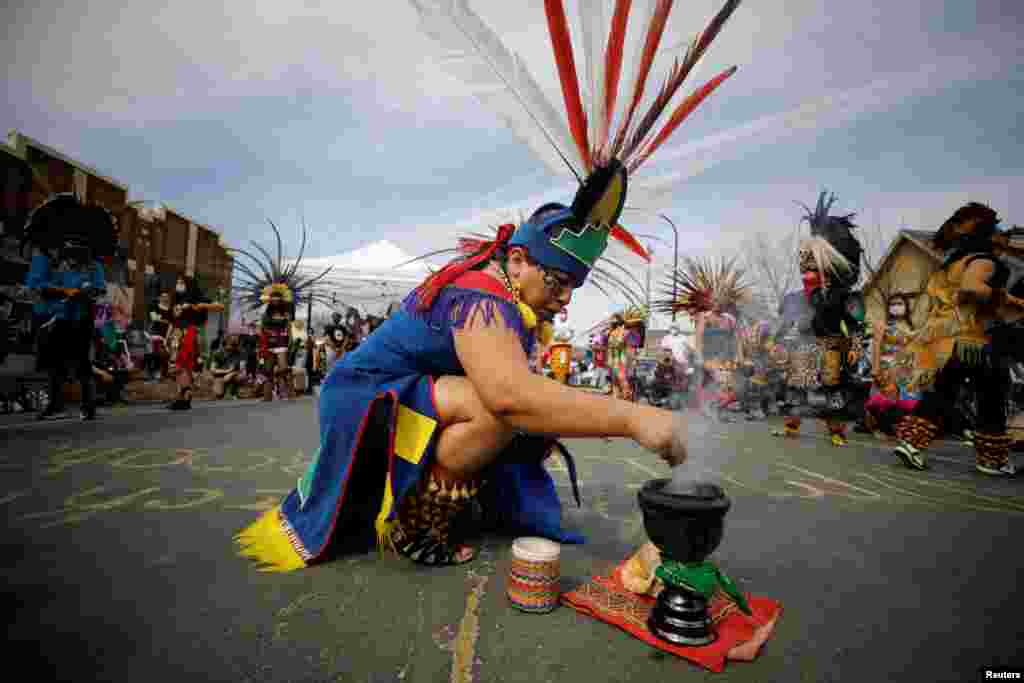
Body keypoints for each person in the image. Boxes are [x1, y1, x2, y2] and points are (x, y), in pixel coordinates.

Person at [895, 203, 1018, 475]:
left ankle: (911, 444)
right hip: (976, 343)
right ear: (988, 234)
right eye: (1000, 231)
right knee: (991, 396)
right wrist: (1007, 299)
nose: (1005, 236)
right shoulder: (983, 261)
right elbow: (972, 287)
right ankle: (992, 460)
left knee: (942, 392)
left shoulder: (954, 263)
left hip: (950, 340)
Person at [23, 194, 116, 421]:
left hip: (81, 317)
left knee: (82, 361)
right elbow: (35, 285)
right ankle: (56, 405)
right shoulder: (45, 256)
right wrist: (65, 292)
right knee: (54, 362)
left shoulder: (92, 263)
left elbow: (100, 289)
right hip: (53, 316)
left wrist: (87, 293)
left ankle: (88, 405)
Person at [168, 276, 224, 410]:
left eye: (181, 282)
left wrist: (196, 306)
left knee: (183, 365)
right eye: (177, 282)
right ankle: (181, 397)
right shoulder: (176, 298)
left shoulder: (195, 298)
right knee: (176, 367)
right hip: (176, 334)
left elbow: (219, 306)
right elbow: (173, 320)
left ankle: (185, 398)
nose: (178, 284)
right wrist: (168, 336)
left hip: (189, 333)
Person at [145, 290, 174, 382]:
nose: (165, 298)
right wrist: (165, 320)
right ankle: (150, 373)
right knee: (150, 354)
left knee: (160, 355)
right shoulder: (153, 306)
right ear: (160, 298)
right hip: (152, 333)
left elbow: (171, 325)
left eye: (167, 297)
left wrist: (167, 337)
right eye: (163, 296)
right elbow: (153, 318)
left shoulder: (170, 310)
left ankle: (158, 373)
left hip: (164, 335)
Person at [210, 334, 244, 399]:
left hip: (233, 375)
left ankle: (233, 392)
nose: (232, 349)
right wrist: (227, 371)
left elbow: (242, 369)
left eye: (234, 346)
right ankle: (223, 392)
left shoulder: (238, 353)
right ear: (224, 346)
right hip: (220, 376)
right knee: (218, 394)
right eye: (230, 347)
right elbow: (213, 370)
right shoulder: (218, 354)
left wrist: (232, 373)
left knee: (240, 377)